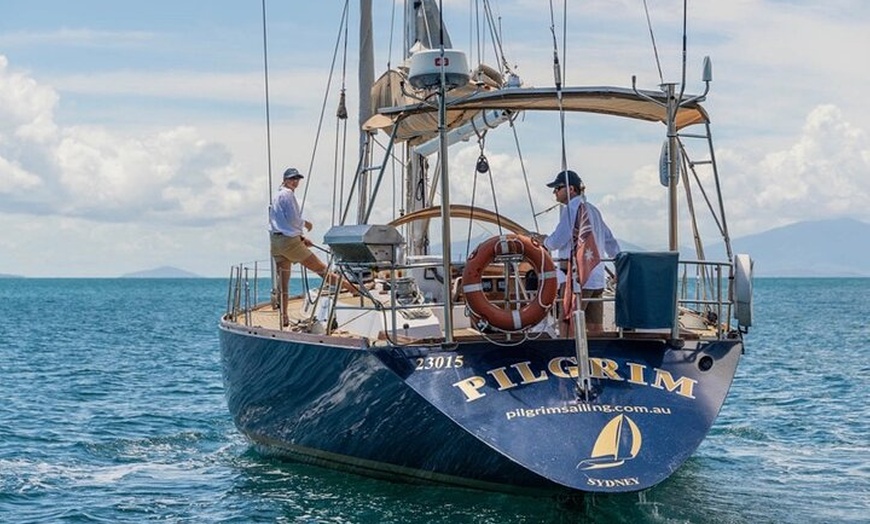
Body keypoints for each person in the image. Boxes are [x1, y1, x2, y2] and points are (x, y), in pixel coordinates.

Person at [269, 167, 352, 326]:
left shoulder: (276, 195)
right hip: (289, 243)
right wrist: (306, 224)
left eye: (297, 179)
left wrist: (300, 237)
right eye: (292, 179)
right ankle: (354, 290)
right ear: (285, 180)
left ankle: (284, 316)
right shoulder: (288, 195)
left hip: (276, 242)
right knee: (322, 270)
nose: (295, 182)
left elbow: (280, 222)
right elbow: (293, 220)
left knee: (283, 283)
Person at [541, 170, 620, 334]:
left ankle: (568, 357)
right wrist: (619, 265)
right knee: (595, 328)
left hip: (578, 277)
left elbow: (556, 241)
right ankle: (596, 357)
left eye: (557, 187)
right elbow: (610, 242)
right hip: (597, 278)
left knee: (568, 323)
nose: (554, 192)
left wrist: (543, 240)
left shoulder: (572, 209)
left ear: (571, 189)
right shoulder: (593, 210)